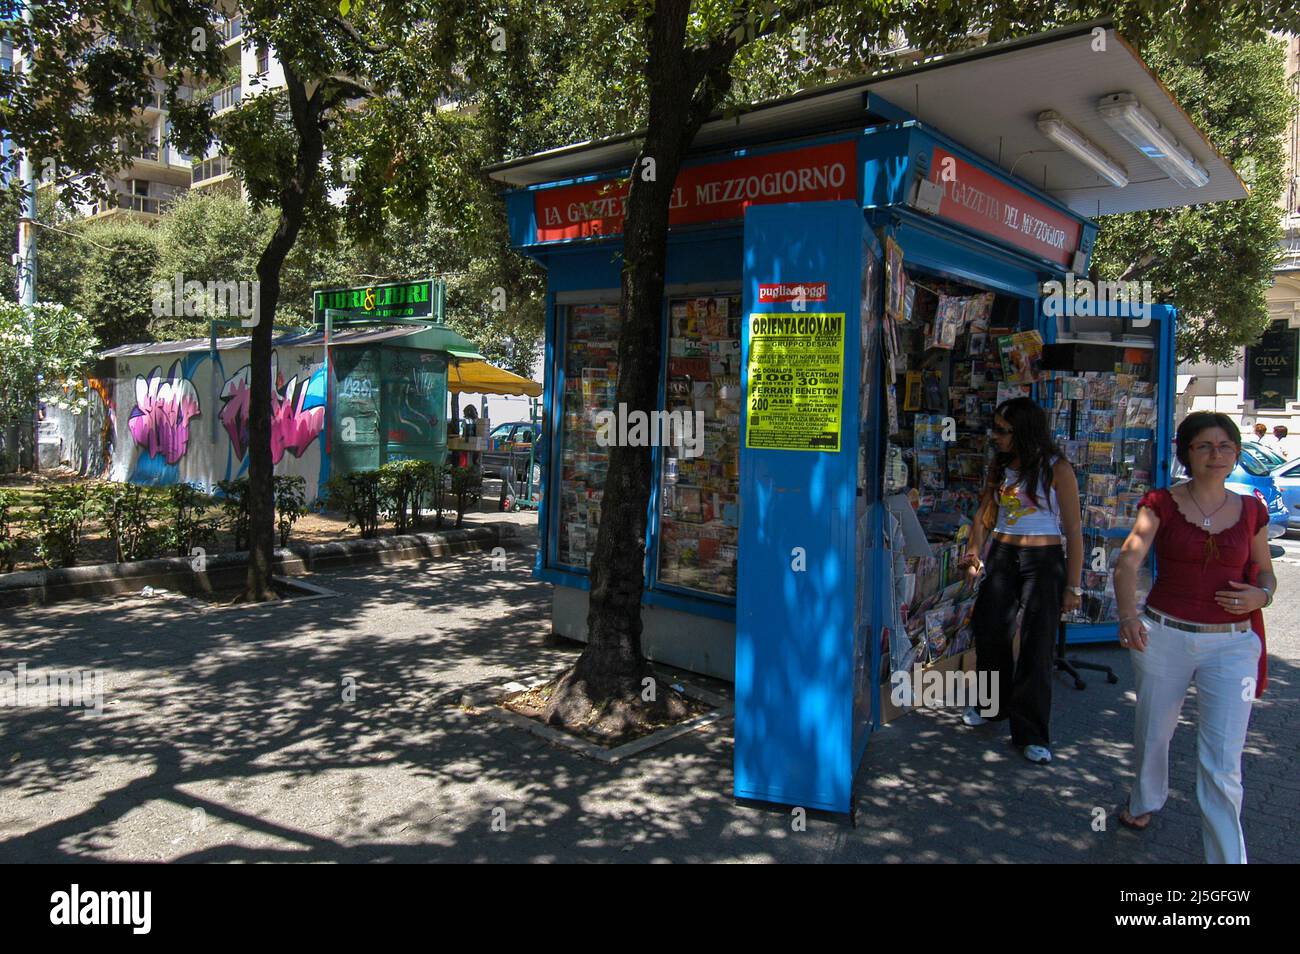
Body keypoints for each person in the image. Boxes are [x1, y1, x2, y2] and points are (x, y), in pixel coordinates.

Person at [1112, 412, 1274, 864]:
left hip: (1234, 644)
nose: (1215, 454)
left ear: (1236, 453)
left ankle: (1227, 861)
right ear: (1186, 452)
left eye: (1224, 446)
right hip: (1164, 636)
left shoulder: (1253, 509)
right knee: (1154, 733)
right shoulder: (1160, 503)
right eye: (1204, 445)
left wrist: (1262, 595)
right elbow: (1127, 563)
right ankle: (1144, 800)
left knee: (1223, 761)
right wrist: (1128, 616)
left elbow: (1266, 573)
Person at [957, 397, 1084, 764]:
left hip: (1042, 560)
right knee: (990, 629)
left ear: (1023, 431)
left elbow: (1073, 530)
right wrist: (973, 554)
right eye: (994, 428)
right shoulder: (999, 465)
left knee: (1036, 642)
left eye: (1002, 430)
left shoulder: (1056, 468)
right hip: (1003, 554)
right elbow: (984, 515)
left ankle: (1031, 731)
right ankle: (990, 705)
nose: (994, 436)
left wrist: (1073, 586)